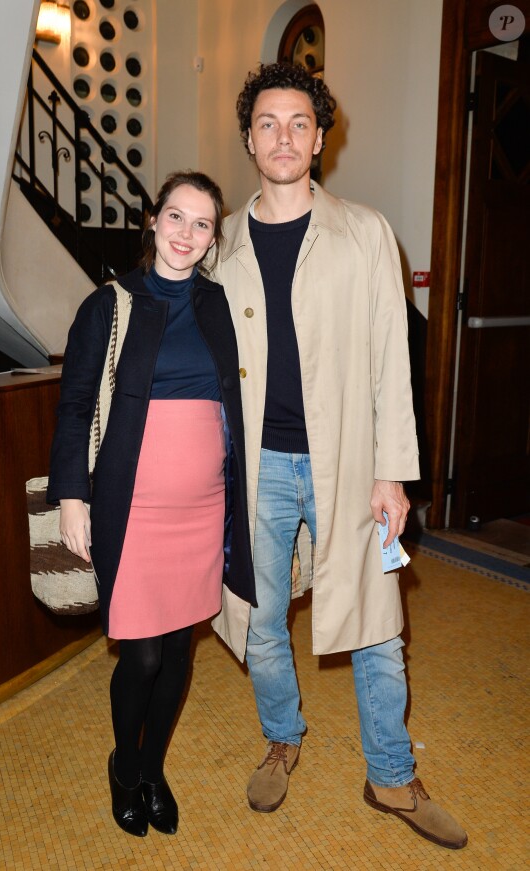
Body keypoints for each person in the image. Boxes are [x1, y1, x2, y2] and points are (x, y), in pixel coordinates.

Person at [211, 63, 468, 850]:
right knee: (258, 620)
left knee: (375, 625)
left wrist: (393, 470)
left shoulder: (366, 231)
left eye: (298, 123)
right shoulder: (218, 241)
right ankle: (282, 733)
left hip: (350, 466)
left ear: (320, 137)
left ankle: (390, 771)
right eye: (267, 123)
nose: (282, 136)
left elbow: (395, 358)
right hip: (254, 466)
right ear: (249, 138)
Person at [47, 171, 255, 838]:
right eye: (175, 217)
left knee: (179, 655)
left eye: (201, 224)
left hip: (204, 512)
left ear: (212, 237)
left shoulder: (220, 305)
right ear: (153, 221)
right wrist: (72, 496)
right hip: (131, 513)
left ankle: (154, 767)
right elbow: (74, 406)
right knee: (140, 657)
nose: (186, 234)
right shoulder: (108, 305)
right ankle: (124, 767)